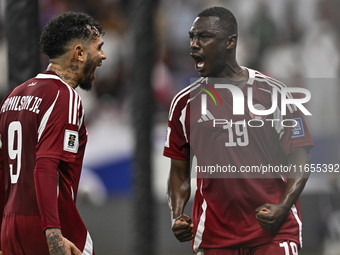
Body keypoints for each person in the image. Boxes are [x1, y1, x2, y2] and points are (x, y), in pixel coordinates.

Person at [164, 6, 313, 255]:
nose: (194, 45)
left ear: (230, 42)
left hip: (274, 232)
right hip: (214, 237)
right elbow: (178, 172)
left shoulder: (274, 93)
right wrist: (177, 215)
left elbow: (300, 157)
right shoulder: (184, 103)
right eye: (192, 37)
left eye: (204, 37)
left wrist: (283, 206)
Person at [0, 12, 106, 255]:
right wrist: (53, 233)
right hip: (52, 225)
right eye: (98, 48)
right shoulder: (65, 96)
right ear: (79, 53)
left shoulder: (12, 97)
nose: (103, 55)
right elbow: (46, 165)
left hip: (10, 228)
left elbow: (1, 170)